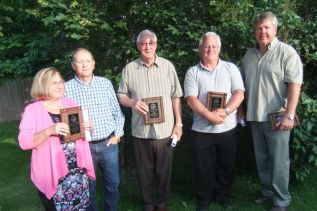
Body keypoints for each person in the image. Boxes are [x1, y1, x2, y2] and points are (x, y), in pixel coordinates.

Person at [240, 12, 303, 211]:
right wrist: (241, 109)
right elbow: (241, 86)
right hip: (254, 116)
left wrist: (290, 114)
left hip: (278, 117)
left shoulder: (287, 52)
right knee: (263, 158)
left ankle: (281, 200)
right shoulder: (249, 55)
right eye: (259, 28)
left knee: (279, 161)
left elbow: (295, 85)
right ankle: (267, 191)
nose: (263, 32)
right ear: (254, 31)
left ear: (275, 30)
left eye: (267, 27)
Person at [117, 29, 183, 211]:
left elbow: (176, 96)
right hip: (141, 131)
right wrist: (132, 102)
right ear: (138, 46)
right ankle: (147, 203)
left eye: (150, 43)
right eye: (143, 43)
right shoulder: (129, 69)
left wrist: (179, 123)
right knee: (144, 172)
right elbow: (121, 95)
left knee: (164, 172)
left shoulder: (168, 66)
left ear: (156, 45)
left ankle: (161, 203)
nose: (147, 46)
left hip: (165, 131)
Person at [18, 67, 96, 211]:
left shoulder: (71, 103)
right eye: (54, 83)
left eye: (61, 81)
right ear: (42, 85)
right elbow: (24, 142)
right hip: (53, 175)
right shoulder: (33, 110)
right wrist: (49, 131)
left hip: (77, 173)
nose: (60, 85)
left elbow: (80, 135)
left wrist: (89, 127)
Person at [184, 32, 245, 210]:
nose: (210, 49)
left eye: (213, 46)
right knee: (204, 168)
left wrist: (226, 111)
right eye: (206, 46)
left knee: (226, 165)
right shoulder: (192, 72)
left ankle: (223, 196)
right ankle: (203, 199)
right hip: (202, 130)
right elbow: (191, 99)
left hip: (228, 128)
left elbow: (239, 93)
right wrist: (209, 115)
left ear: (219, 49)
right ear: (200, 49)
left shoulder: (231, 68)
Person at [65, 48, 125, 211]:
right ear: (73, 65)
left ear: (93, 64)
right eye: (79, 61)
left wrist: (117, 135)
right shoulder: (66, 88)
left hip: (108, 145)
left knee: (113, 185)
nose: (84, 64)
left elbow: (118, 113)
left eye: (87, 61)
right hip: (83, 147)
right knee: (88, 188)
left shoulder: (105, 83)